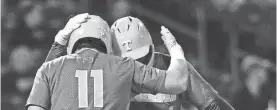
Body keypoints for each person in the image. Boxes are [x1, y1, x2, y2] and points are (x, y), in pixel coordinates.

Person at [26, 14, 189, 110]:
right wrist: (175, 50)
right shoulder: (125, 66)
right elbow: (178, 82)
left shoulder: (49, 69)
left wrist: (58, 43)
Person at [110, 16, 235, 110]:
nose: (138, 66)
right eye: (128, 62)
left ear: (151, 47)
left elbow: (211, 103)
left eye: (140, 59)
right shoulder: (104, 74)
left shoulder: (171, 65)